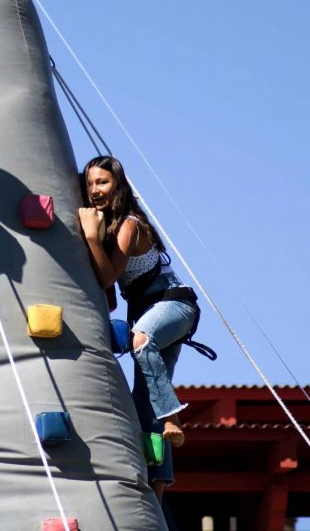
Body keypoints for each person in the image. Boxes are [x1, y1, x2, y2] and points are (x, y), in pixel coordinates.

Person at [78, 155, 203, 500]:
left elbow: (109, 276)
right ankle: (158, 491)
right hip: (145, 312)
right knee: (142, 403)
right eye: (89, 184)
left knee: (141, 340)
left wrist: (90, 238)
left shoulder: (129, 224)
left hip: (173, 305)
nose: (94, 190)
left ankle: (172, 414)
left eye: (102, 182)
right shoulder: (108, 232)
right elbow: (112, 297)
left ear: (117, 184)